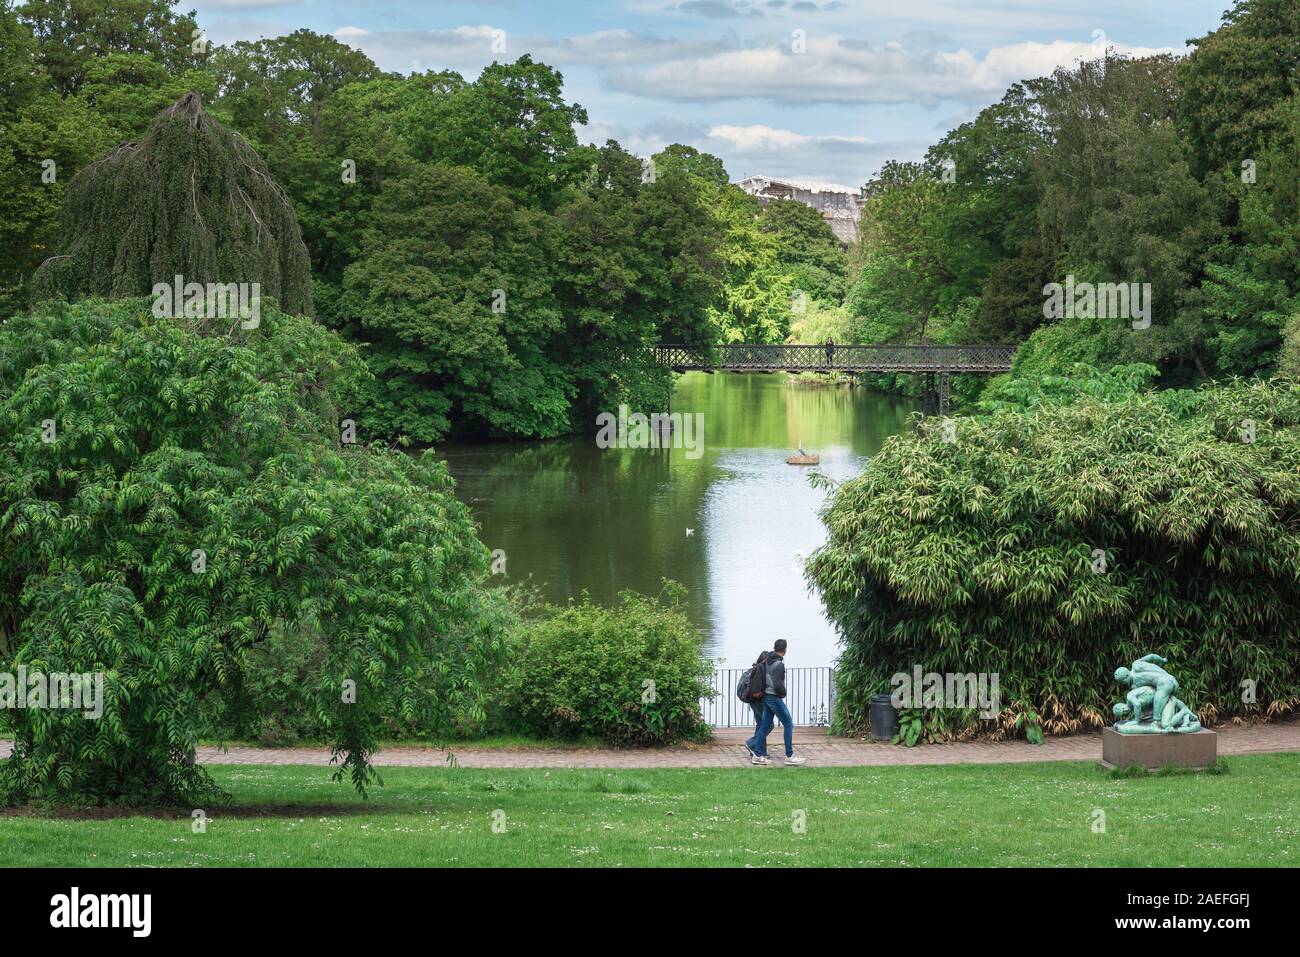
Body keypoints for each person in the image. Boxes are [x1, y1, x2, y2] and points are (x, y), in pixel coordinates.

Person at [752, 639, 806, 766]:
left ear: (774, 648)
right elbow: (778, 684)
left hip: (766, 696)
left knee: (764, 725)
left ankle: (757, 755)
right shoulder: (779, 664)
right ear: (785, 650)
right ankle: (789, 755)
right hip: (774, 697)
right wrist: (783, 693)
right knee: (788, 723)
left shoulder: (767, 661)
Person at [743, 650, 769, 757]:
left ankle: (759, 751)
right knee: (768, 724)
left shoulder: (757, 668)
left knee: (760, 725)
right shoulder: (760, 670)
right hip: (758, 701)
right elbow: (756, 691)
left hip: (754, 702)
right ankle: (752, 743)